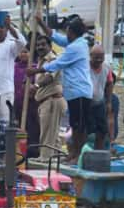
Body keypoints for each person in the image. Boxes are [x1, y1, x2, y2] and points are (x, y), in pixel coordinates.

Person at [28, 15, 92, 163]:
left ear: (73, 33)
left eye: (68, 32)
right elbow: (56, 37)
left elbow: (57, 64)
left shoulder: (76, 47)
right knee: (75, 125)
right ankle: (73, 154)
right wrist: (41, 23)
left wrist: (36, 72)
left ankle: (77, 155)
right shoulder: (73, 42)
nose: (66, 35)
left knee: (79, 128)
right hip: (73, 93)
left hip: (80, 91)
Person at [31, 34, 67, 161]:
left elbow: (49, 77)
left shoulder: (53, 59)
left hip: (52, 100)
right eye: (38, 45)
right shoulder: (40, 61)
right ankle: (58, 158)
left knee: (48, 133)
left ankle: (45, 159)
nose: (40, 47)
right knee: (52, 134)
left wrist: (35, 85)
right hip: (45, 101)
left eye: (43, 44)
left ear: (50, 46)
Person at [14, 46, 40, 157]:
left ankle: (32, 152)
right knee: (20, 128)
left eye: (26, 52)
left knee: (32, 129)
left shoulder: (34, 68)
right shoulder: (14, 67)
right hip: (18, 102)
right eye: (21, 52)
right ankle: (20, 153)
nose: (23, 54)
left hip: (31, 105)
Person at [88, 45, 113, 150]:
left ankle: (99, 150)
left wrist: (109, 102)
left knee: (102, 129)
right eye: (96, 57)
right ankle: (80, 152)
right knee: (85, 129)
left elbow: (110, 83)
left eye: (101, 57)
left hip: (99, 102)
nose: (99, 60)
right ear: (90, 56)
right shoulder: (85, 67)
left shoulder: (106, 67)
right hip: (86, 102)